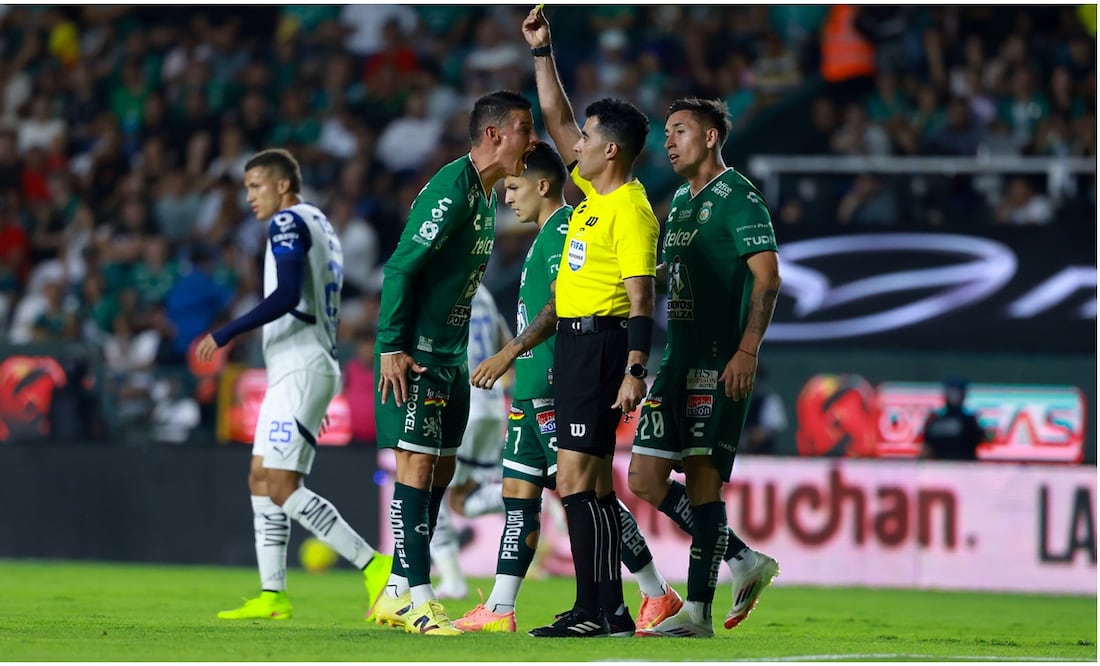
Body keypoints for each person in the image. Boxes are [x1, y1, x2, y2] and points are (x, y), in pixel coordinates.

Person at [453, 142, 681, 636]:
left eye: (513, 187)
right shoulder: (542, 236)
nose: (507, 197)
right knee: (518, 494)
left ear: (541, 185)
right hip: (529, 391)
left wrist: (508, 352)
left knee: (590, 496)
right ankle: (499, 607)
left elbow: (561, 309)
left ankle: (655, 591)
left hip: (558, 388)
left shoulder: (564, 229)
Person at [195, 149, 392, 621]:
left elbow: (286, 295)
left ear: (283, 185)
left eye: (256, 186)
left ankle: (376, 566)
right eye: (246, 188)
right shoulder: (321, 224)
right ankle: (273, 594)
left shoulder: (286, 223)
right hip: (302, 366)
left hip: (301, 366)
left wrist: (224, 332)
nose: (249, 198)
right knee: (261, 477)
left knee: (282, 484)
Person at [370, 90, 537, 637]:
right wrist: (392, 346)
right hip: (416, 355)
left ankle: (397, 587)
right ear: (493, 135)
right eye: (523, 128)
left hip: (452, 359)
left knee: (442, 470)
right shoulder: (451, 189)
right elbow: (399, 269)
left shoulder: (486, 199)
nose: (531, 140)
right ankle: (420, 598)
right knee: (415, 468)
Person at [521, 7, 661, 638]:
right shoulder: (592, 193)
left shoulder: (630, 212)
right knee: (594, 484)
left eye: (586, 138)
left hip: (602, 345)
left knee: (576, 479)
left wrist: (635, 369)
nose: (572, 143)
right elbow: (556, 119)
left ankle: (592, 610)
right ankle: (608, 609)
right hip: (579, 344)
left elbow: (642, 299)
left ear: (610, 150)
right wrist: (542, 52)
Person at [629, 98, 783, 638]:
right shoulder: (679, 200)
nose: (668, 141)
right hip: (677, 362)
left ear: (712, 136)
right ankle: (741, 558)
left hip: (719, 364)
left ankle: (697, 612)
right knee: (643, 479)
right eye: (665, 132)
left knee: (702, 484)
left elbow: (767, 278)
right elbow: (672, 273)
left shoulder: (739, 197)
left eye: (680, 131)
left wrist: (747, 352)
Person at [431, 283, 511, 600]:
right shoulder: (487, 294)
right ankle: (517, 495)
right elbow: (506, 343)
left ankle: (452, 579)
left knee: (426, 491)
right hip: (492, 405)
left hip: (462, 405)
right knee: (460, 501)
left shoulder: (443, 291)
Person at [921, 377, 988, 461]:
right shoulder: (969, 421)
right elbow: (985, 438)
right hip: (964, 470)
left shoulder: (934, 421)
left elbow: (926, 451)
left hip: (940, 470)